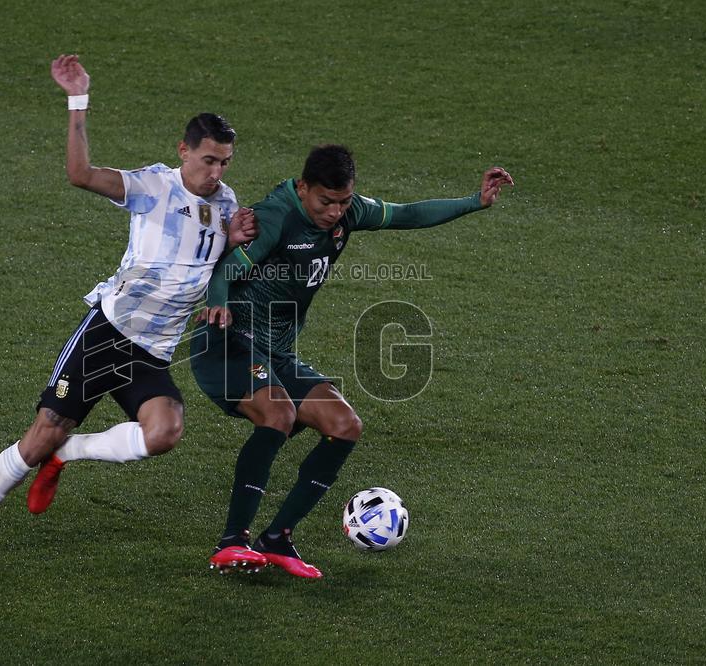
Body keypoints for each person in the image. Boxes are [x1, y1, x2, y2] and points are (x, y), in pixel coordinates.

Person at [0, 54, 255, 580]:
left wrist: (233, 243)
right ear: (183, 151)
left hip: (152, 349)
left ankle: (69, 453)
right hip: (109, 334)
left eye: (224, 161)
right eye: (208, 160)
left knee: (165, 433)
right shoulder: (151, 186)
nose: (216, 171)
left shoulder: (225, 203)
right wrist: (77, 99)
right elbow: (79, 174)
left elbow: (207, 262)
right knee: (38, 435)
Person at [191, 144, 513, 578]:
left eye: (344, 202)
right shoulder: (276, 216)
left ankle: (278, 538)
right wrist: (218, 305)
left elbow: (407, 214)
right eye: (326, 202)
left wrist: (475, 202)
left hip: (276, 351)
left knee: (344, 425)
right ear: (303, 188)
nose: (335, 213)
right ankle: (231, 543)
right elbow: (227, 270)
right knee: (278, 414)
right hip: (227, 341)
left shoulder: (348, 211)